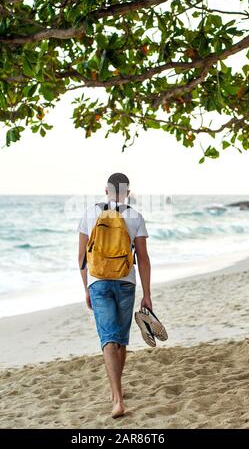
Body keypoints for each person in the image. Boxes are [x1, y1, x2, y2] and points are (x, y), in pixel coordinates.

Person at [77, 173, 152, 418]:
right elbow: (143, 258)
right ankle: (116, 390)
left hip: (98, 282)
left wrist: (86, 286)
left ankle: (117, 398)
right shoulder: (135, 217)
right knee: (120, 339)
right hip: (126, 282)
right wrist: (147, 294)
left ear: (106, 190)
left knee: (108, 338)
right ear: (128, 193)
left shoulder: (90, 214)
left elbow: (82, 257)